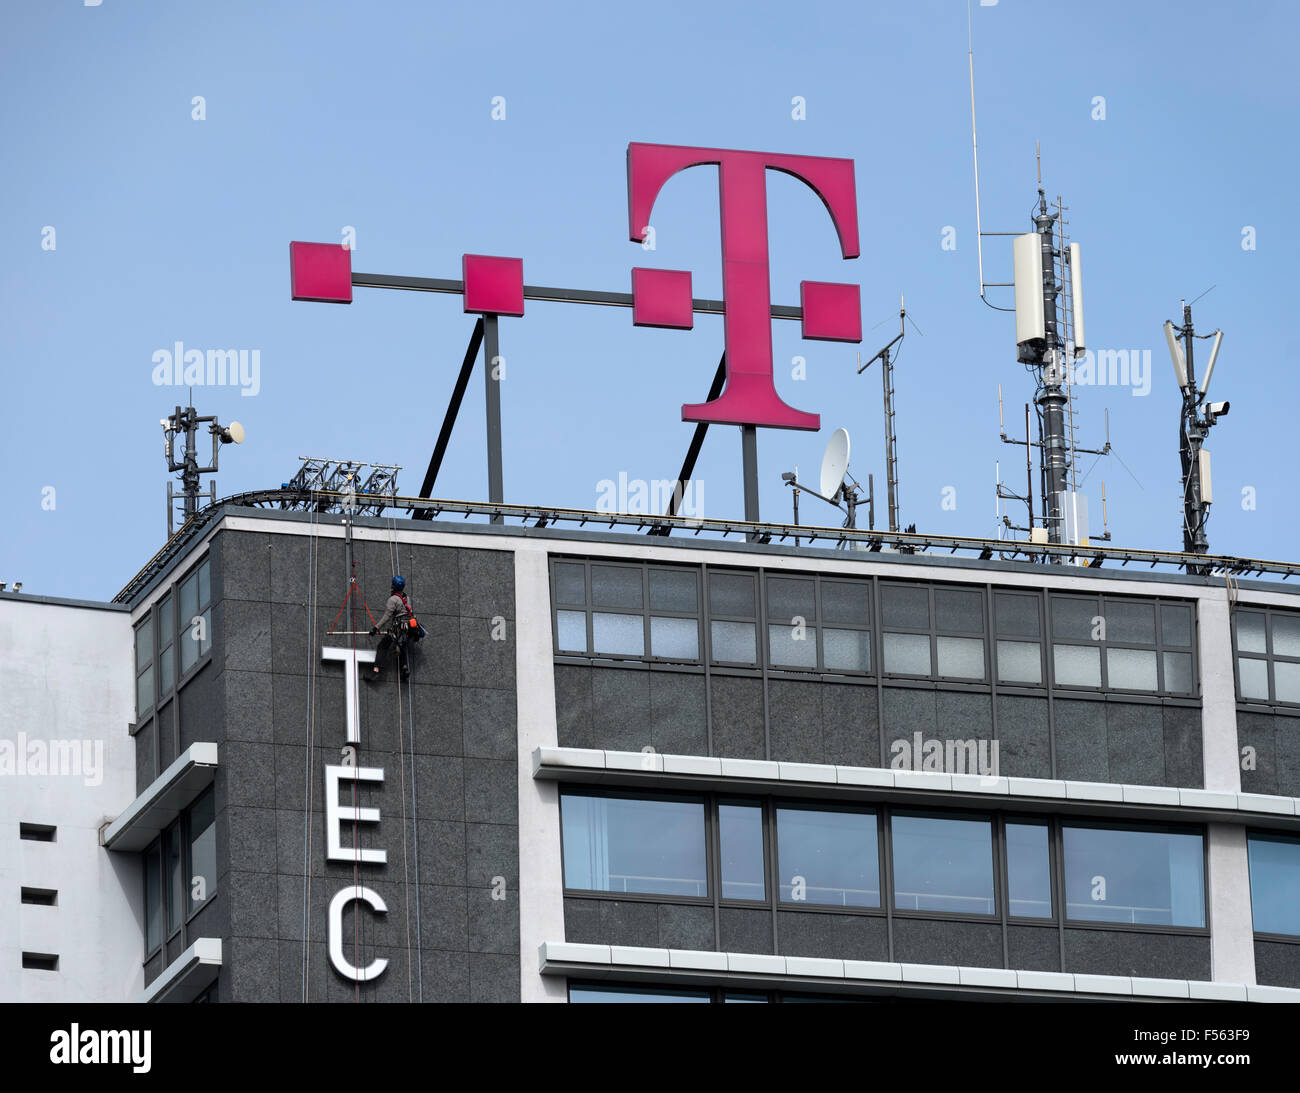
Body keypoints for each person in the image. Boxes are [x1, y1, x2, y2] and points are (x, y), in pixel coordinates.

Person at [369, 575, 413, 680]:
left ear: (393, 585)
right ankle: (405, 668)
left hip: (398, 628)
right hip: (408, 628)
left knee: (382, 646)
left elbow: (387, 616)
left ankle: (376, 670)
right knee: (402, 646)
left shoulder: (393, 599)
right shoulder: (407, 598)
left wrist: (376, 628)